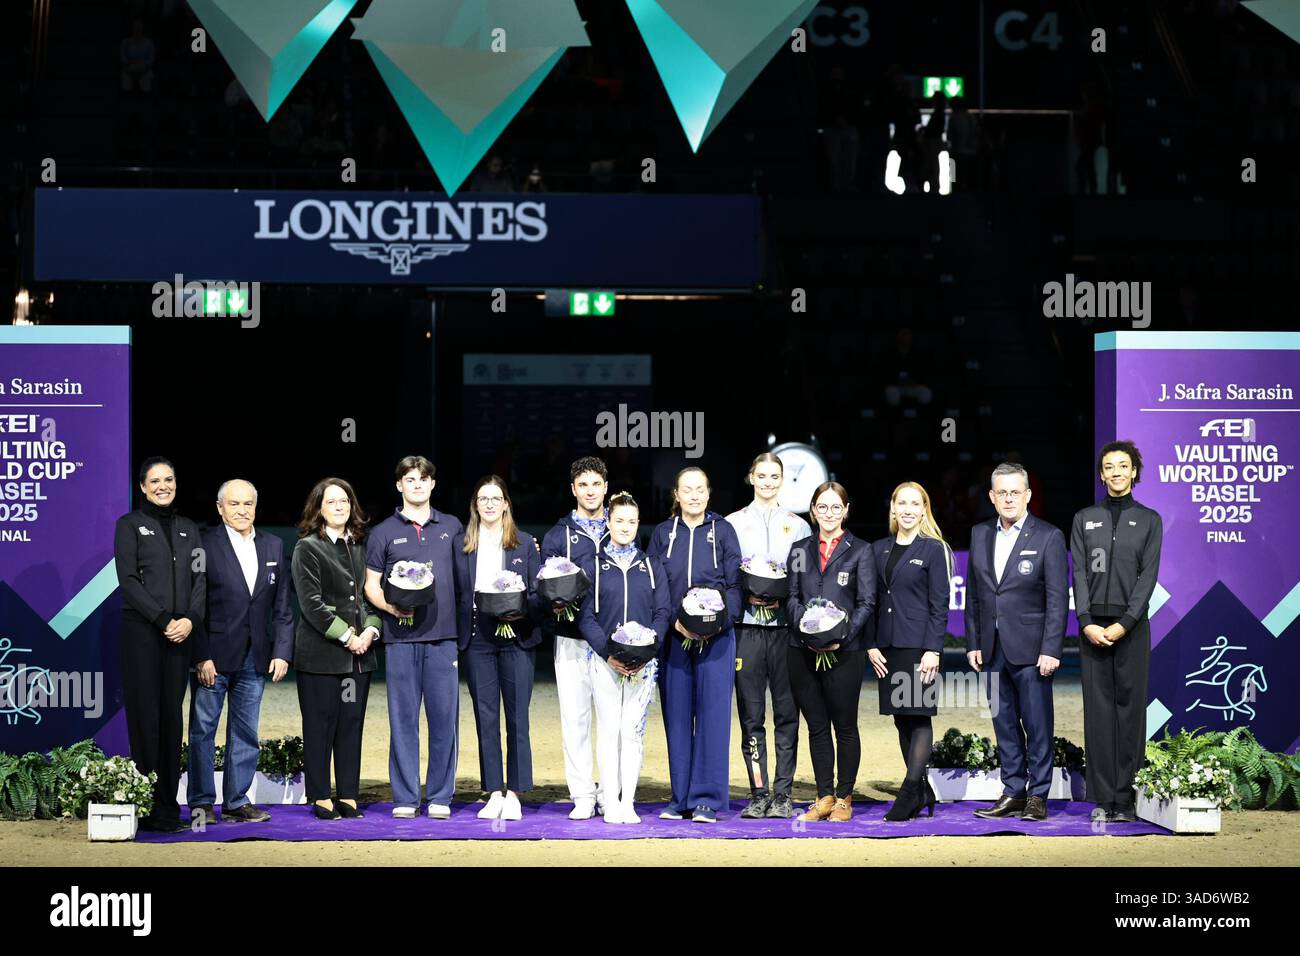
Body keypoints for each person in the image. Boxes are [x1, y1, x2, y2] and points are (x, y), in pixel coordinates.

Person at [966, 463, 1068, 821]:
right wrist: (974, 642)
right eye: (1001, 492)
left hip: (1032, 651)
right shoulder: (979, 534)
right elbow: (976, 597)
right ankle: (1013, 792)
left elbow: (1057, 598)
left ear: (1027, 495)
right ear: (992, 497)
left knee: (1038, 724)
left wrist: (1051, 648)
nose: (1008, 498)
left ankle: (1038, 795)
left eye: (1015, 492)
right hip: (992, 649)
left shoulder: (1049, 536)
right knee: (1003, 723)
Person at [187, 479, 293, 824]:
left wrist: (282, 651)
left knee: (246, 731)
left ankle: (236, 801)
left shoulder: (274, 545)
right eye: (234, 504)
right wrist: (201, 655)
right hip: (213, 657)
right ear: (220, 508)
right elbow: (194, 606)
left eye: (248, 504)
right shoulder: (203, 545)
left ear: (256, 507)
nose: (242, 510)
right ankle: (201, 803)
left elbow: (282, 607)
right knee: (203, 730)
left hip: (255, 656)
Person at [363, 456, 463, 820]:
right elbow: (371, 586)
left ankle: (439, 795)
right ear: (399, 485)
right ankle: (405, 796)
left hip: (443, 639)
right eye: (410, 479)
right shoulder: (383, 532)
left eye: (423, 479)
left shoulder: (452, 527)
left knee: (443, 721)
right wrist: (391, 610)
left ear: (433, 484)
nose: (417, 484)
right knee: (402, 720)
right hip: (400, 641)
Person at [1071, 441, 1163, 823]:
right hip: (1092, 629)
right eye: (1109, 467)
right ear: (1102, 474)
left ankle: (1125, 799)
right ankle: (1102, 796)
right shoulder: (1084, 518)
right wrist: (1087, 621)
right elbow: (1078, 572)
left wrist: (1124, 624)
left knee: (1129, 714)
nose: (1116, 473)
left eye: (1123, 466)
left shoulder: (1149, 520)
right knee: (1099, 713)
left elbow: (1148, 577)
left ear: (1135, 472)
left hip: (1132, 629)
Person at [113, 456, 205, 833]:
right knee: (145, 720)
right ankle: (146, 806)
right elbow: (129, 580)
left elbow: (200, 579)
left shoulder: (189, 529)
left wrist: (190, 620)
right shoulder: (129, 525)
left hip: (180, 637)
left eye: (169, 478)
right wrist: (164, 620)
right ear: (143, 487)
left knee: (171, 720)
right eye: (155, 480)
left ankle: (169, 807)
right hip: (143, 636)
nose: (163, 485)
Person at [648, 467, 743, 824]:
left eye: (699, 489)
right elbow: (655, 582)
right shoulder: (662, 534)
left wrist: (719, 622)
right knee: (676, 717)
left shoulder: (723, 531)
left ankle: (707, 799)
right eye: (686, 490)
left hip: (717, 640)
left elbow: (736, 585)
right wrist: (674, 620)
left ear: (709, 493)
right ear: (676, 494)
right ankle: (681, 798)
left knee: (713, 718)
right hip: (674, 638)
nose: (693, 496)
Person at [576, 492, 672, 824]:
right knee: (608, 730)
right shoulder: (593, 566)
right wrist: (607, 653)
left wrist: (648, 648)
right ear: (609, 522)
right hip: (604, 662)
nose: (626, 527)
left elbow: (663, 611)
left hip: (644, 664)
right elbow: (586, 616)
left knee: (631, 731)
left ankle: (627, 800)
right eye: (619, 520)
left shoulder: (651, 565)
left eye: (632, 521)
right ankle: (610, 801)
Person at [725, 452, 812, 819]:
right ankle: (758, 790)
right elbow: (728, 578)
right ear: (751, 477)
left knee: (787, 715)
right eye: (761, 475)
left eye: (774, 476)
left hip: (784, 633)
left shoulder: (800, 526)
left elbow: (804, 580)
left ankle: (783, 792)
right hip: (746, 630)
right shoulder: (731, 523)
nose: (768, 482)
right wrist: (746, 595)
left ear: (782, 480)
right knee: (751, 716)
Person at [452, 476, 543, 821]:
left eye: (496, 498)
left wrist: (521, 609)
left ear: (506, 503)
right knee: (485, 717)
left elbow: (538, 594)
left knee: (517, 717)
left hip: (517, 638)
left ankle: (515, 791)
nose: (489, 504)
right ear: (475, 505)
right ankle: (492, 789)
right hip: (479, 638)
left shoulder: (525, 544)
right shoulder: (463, 545)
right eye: (482, 499)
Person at [786, 481, 876, 822]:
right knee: (816, 726)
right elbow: (791, 597)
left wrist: (842, 633)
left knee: (845, 726)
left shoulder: (860, 550)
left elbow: (867, 602)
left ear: (846, 510)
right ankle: (824, 795)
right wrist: (806, 629)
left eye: (835, 507)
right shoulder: (798, 549)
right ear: (812, 511)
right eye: (822, 507)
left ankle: (844, 796)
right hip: (801, 649)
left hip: (845, 651)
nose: (828, 514)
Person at [291, 478, 380, 820]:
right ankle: (319, 794)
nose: (340, 506)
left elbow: (369, 595)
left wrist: (371, 629)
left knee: (350, 724)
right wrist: (348, 637)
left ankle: (348, 793)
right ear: (319, 508)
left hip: (358, 660)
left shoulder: (360, 545)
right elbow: (312, 605)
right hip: (321, 656)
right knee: (319, 725)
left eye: (344, 500)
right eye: (332, 502)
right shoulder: (307, 547)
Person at [870, 481, 953, 821]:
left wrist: (933, 650)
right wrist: (871, 644)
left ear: (924, 509)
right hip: (888, 647)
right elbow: (873, 602)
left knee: (918, 717)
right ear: (892, 508)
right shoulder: (879, 549)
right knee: (901, 718)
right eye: (901, 502)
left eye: (914, 503)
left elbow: (940, 606)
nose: (906, 508)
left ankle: (908, 793)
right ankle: (922, 790)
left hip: (919, 648)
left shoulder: (935, 549)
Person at [541, 456, 610, 820]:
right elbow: (544, 591)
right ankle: (583, 794)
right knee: (576, 718)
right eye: (583, 485)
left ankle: (609, 790)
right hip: (571, 640)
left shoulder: (620, 526)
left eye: (596, 484)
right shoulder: (557, 536)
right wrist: (553, 604)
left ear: (605, 487)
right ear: (573, 489)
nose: (590, 491)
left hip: (613, 641)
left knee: (612, 720)